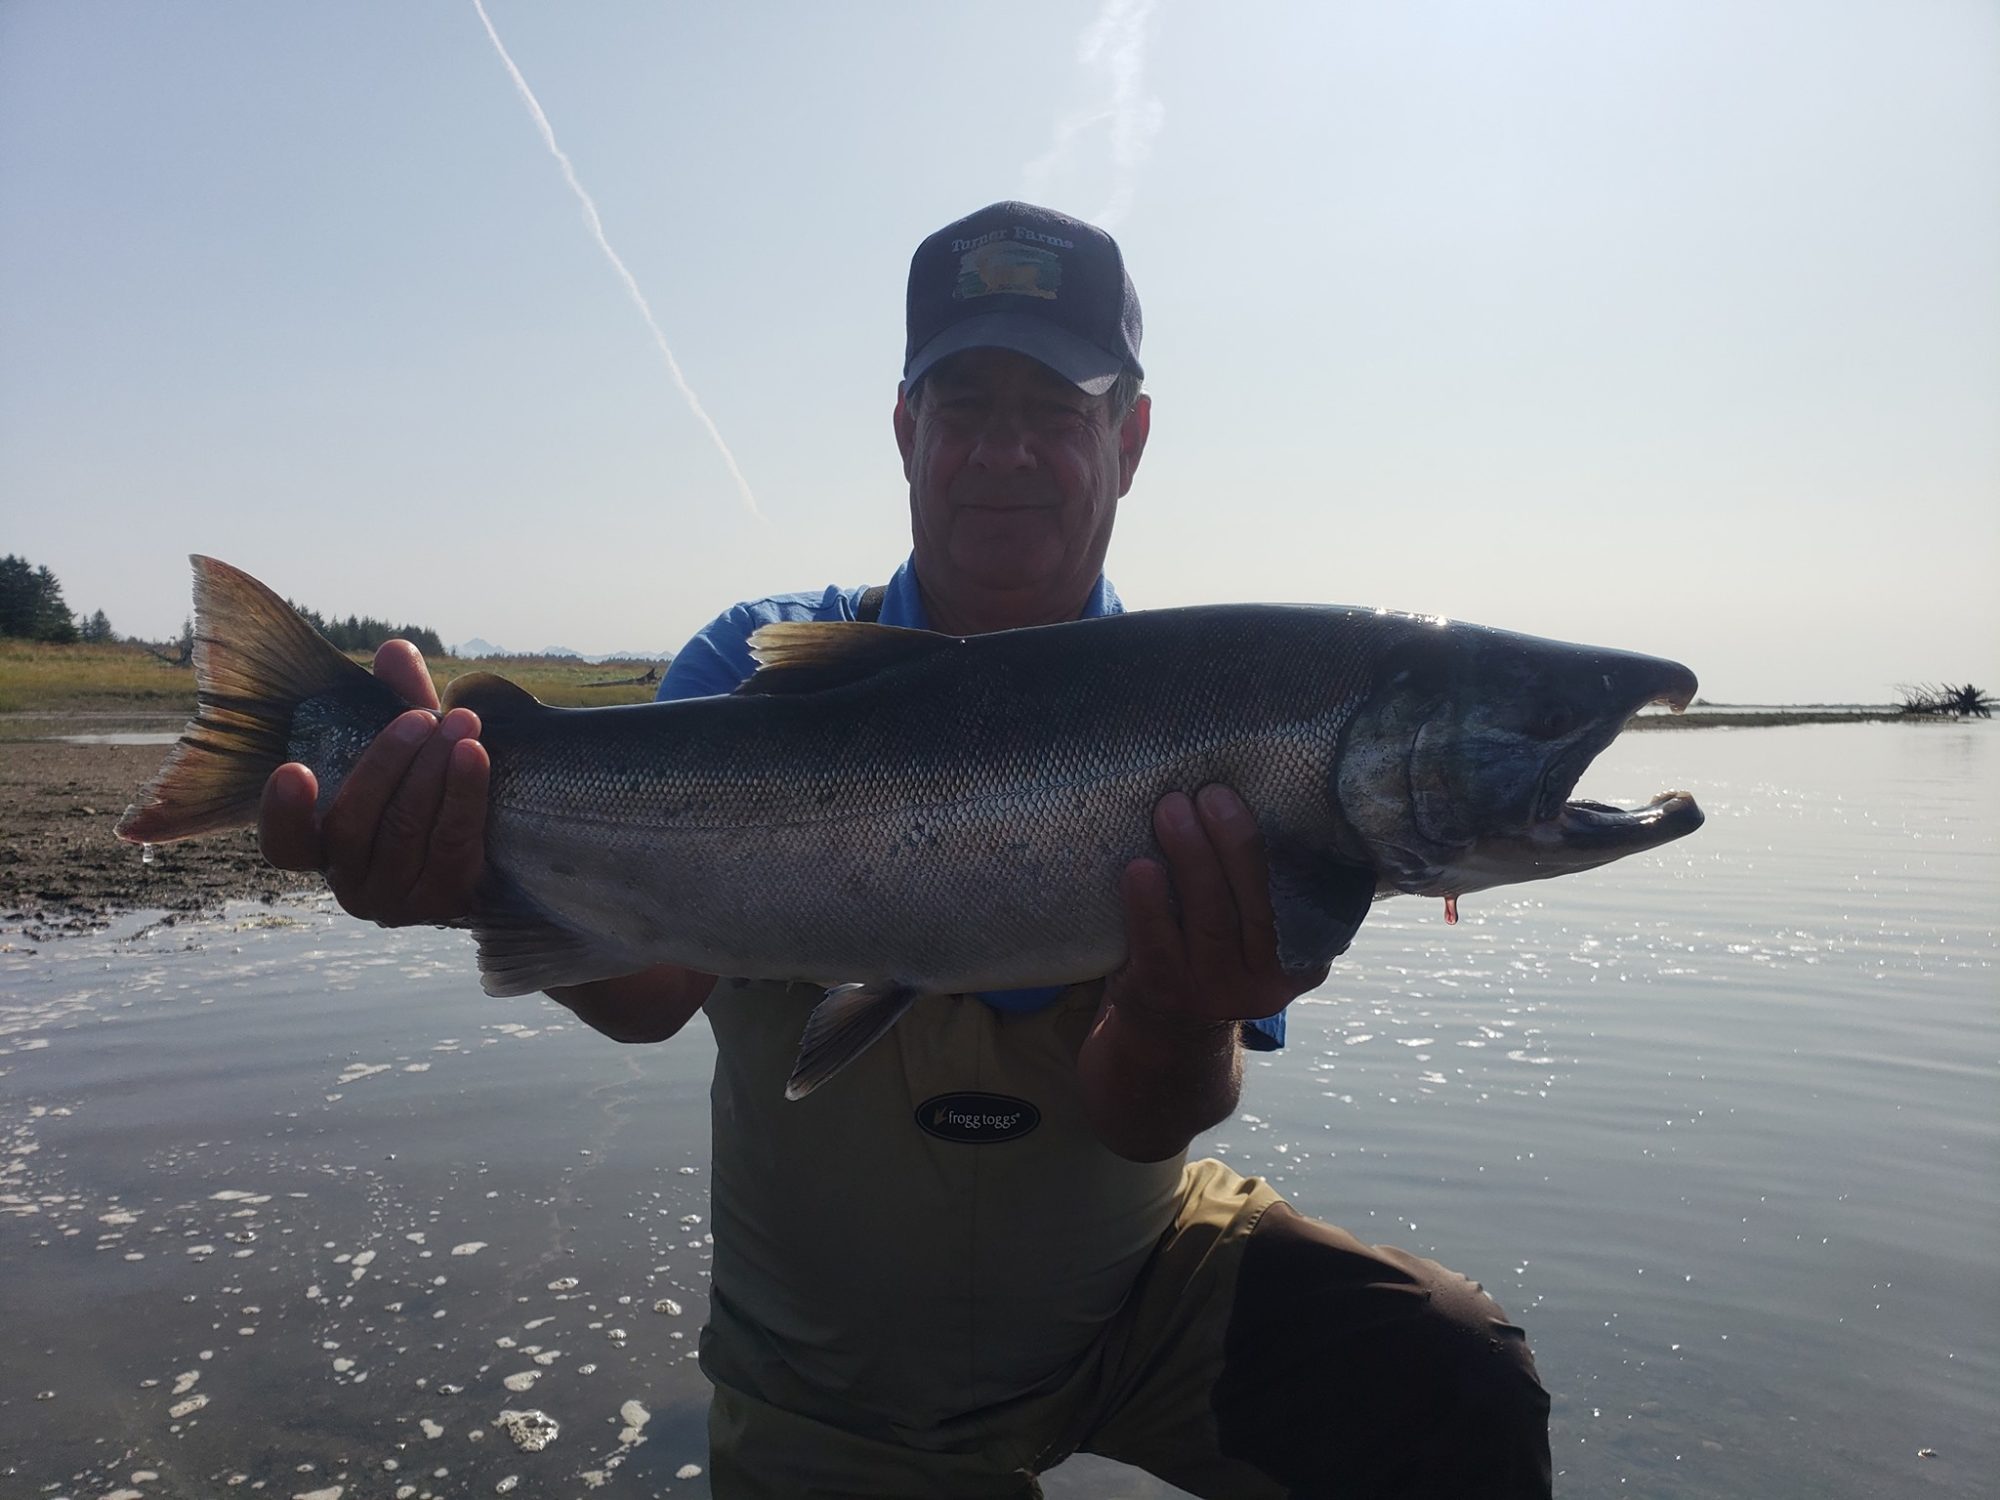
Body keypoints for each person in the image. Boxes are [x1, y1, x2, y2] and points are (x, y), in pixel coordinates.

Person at [259, 202, 1552, 1498]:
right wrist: (469, 865)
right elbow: (647, 999)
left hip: (1131, 1301)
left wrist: (1180, 1010)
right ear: (903, 429)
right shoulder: (751, 667)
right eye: (963, 401)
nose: (1003, 448)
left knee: (1450, 1377)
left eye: (1055, 408)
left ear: (1130, 438)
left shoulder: (1220, 715)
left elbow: (1144, 1113)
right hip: (835, 1384)